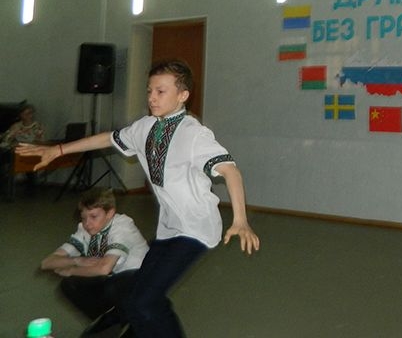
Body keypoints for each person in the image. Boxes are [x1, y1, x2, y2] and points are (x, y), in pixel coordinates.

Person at [18, 59, 261, 338]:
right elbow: (107, 138)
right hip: (169, 228)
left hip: (197, 229)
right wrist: (59, 150)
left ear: (183, 95)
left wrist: (240, 220)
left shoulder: (194, 134)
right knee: (137, 297)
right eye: (149, 91)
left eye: (161, 91)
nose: (152, 98)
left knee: (144, 302)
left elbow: (230, 171)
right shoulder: (145, 127)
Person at [41, 187, 148, 336]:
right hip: (115, 282)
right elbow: (47, 262)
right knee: (69, 284)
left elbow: (104, 268)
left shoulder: (122, 227)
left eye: (93, 216)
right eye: (84, 217)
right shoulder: (86, 229)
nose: (87, 223)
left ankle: (130, 322)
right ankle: (112, 321)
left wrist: (71, 269)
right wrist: (78, 260)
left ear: (110, 213)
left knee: (113, 284)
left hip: (141, 282)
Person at [1, 103, 45, 198]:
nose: (28, 116)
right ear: (21, 115)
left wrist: (26, 144)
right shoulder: (16, 126)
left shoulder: (37, 126)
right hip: (15, 150)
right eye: (26, 113)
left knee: (29, 163)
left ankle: (31, 189)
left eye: (30, 113)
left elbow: (39, 141)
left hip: (31, 151)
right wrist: (12, 141)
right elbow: (6, 139)